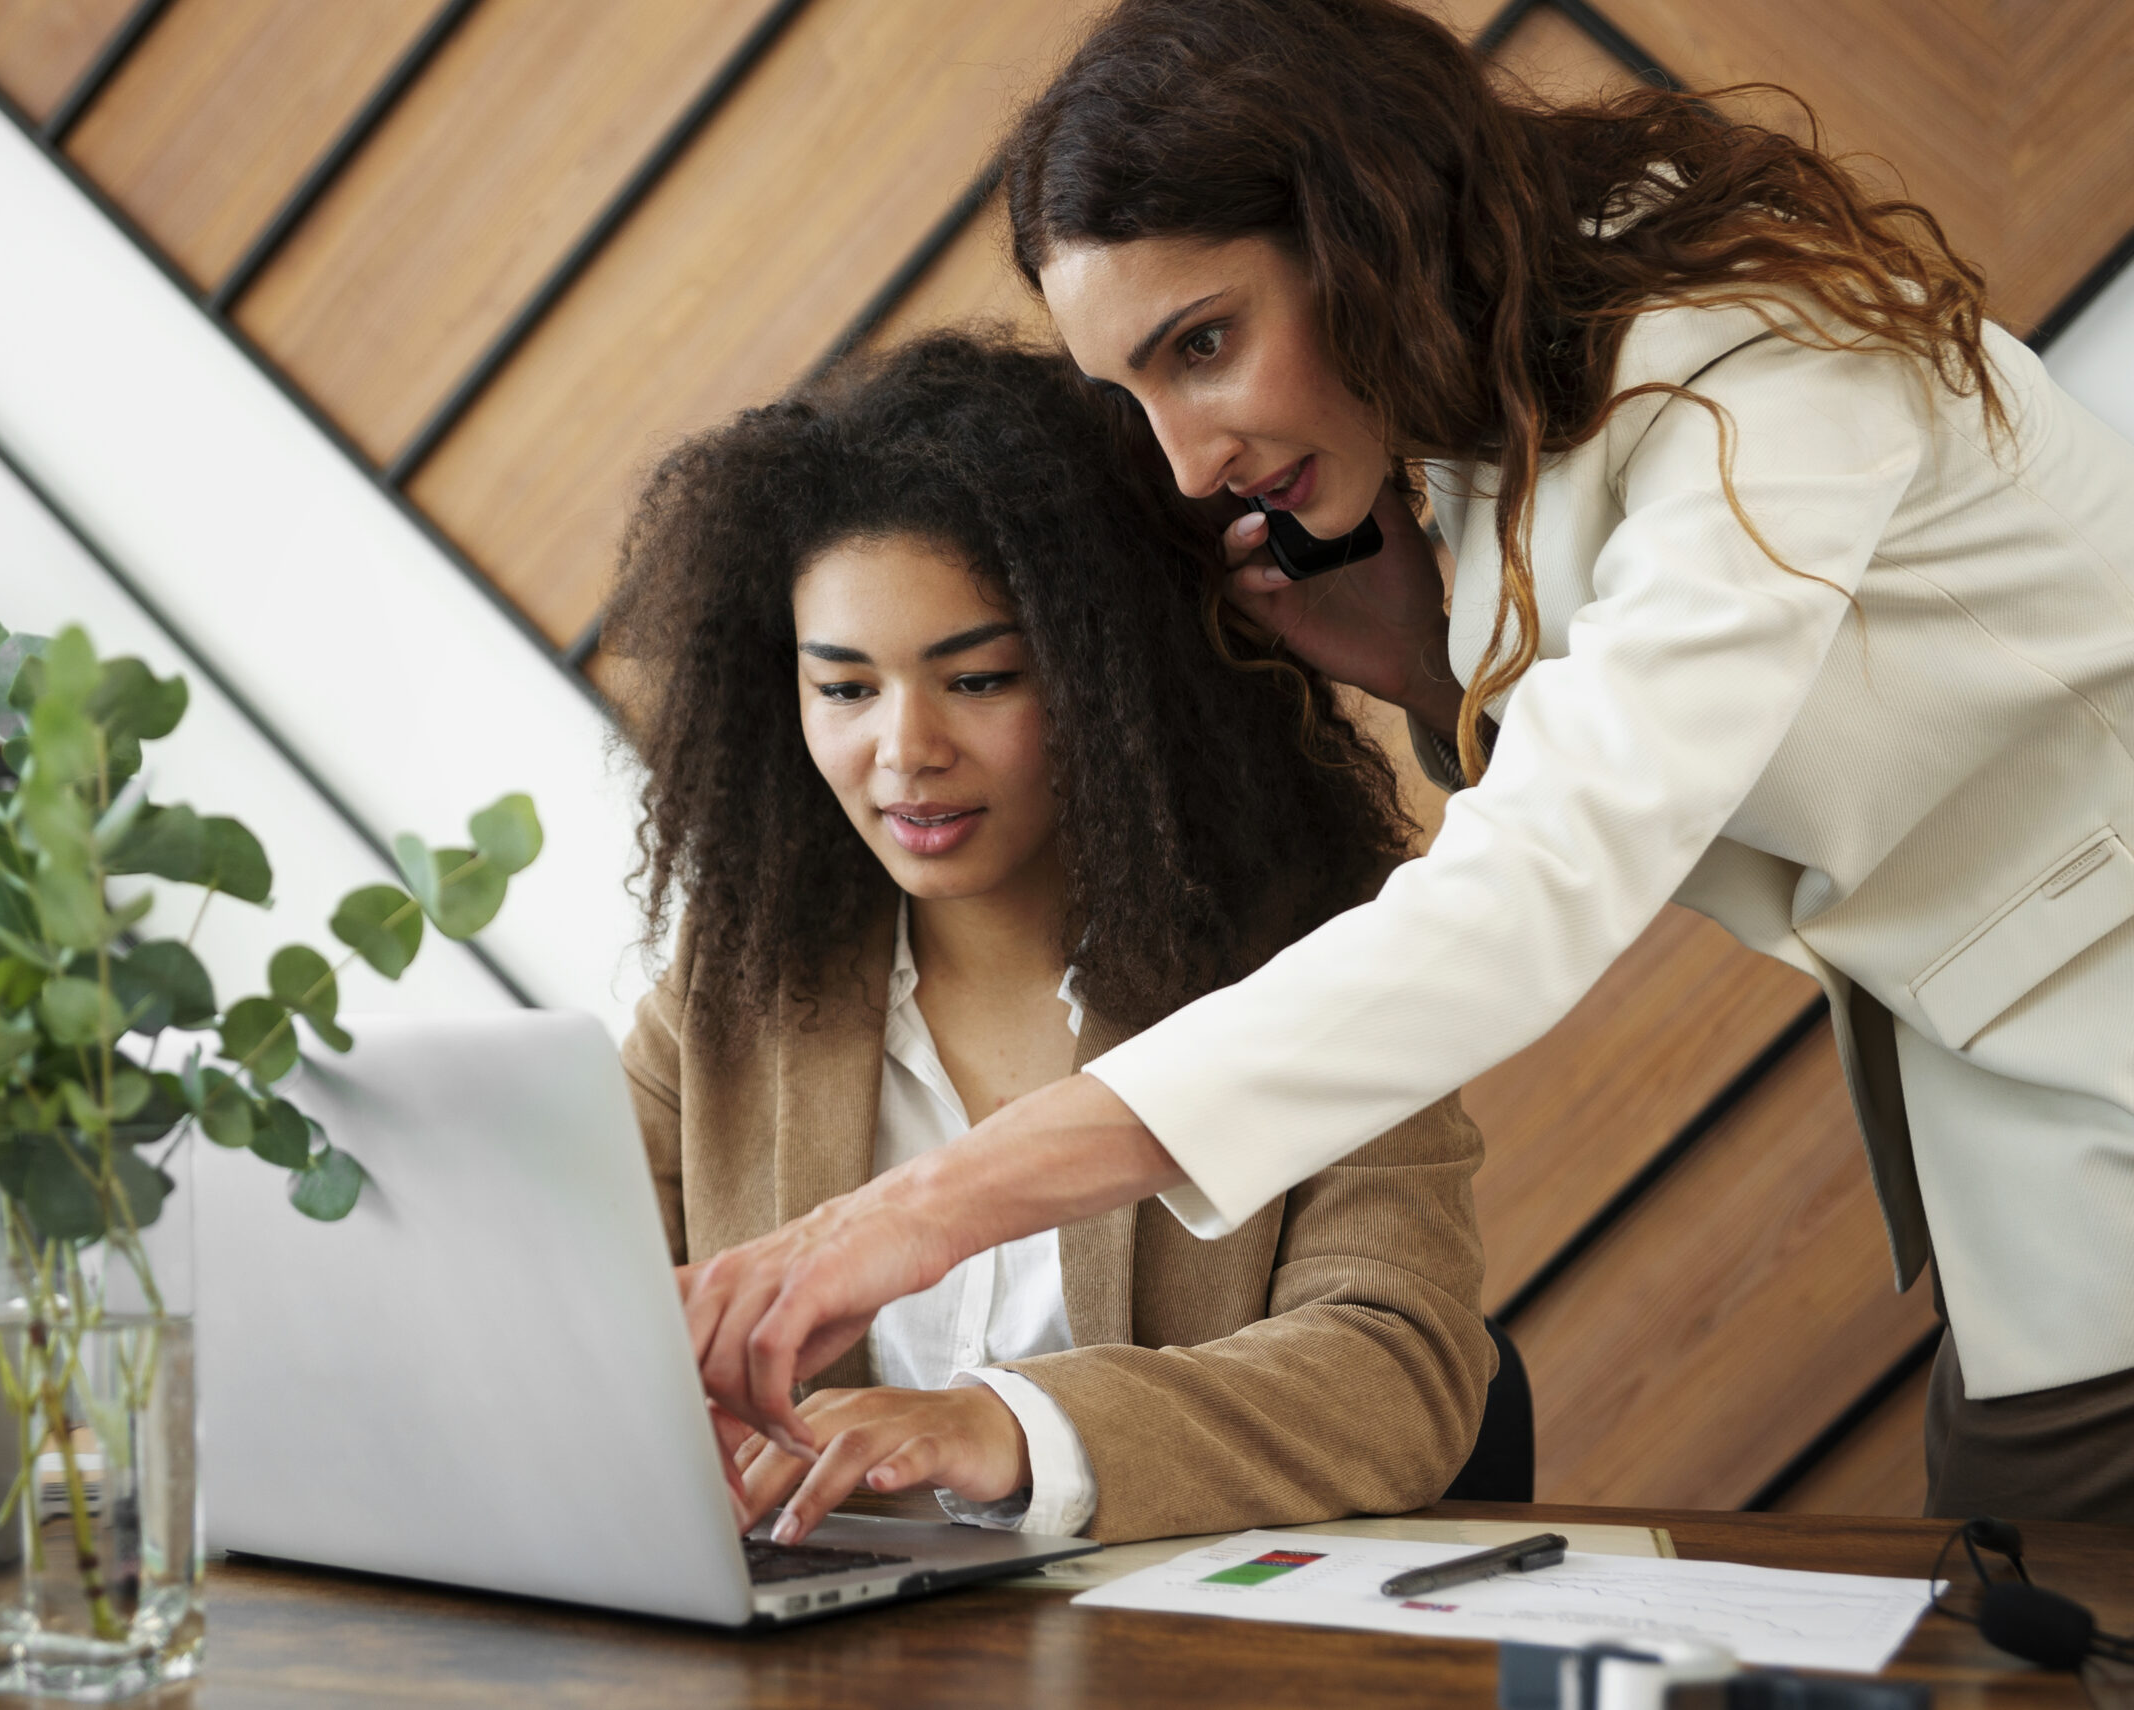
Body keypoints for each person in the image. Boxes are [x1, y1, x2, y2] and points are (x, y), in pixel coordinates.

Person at [677, 0, 2134, 1524]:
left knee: (2039, 1571)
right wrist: (1429, 673)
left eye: (1205, 344)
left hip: (2090, 1058)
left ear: (1358, 228)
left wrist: (923, 1211)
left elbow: (1539, 887)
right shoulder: (1489, 379)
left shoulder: (1757, 365)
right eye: (1136, 390)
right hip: (2026, 1104)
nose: (1185, 459)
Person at [601, 333, 1494, 1545]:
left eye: (980, 681)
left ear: (1110, 682)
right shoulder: (735, 987)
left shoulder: (1315, 966)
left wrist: (1004, 1426)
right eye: (845, 688)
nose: (904, 751)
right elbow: (575, 1318)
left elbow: (1400, 1373)